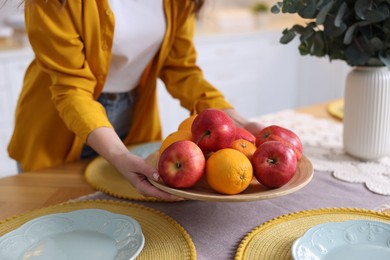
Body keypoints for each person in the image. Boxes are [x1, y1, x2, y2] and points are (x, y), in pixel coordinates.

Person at [8, 0, 263, 200]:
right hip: (57, 129)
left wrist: (235, 119)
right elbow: (71, 89)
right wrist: (118, 155)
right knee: (54, 222)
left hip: (134, 121)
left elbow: (181, 70)